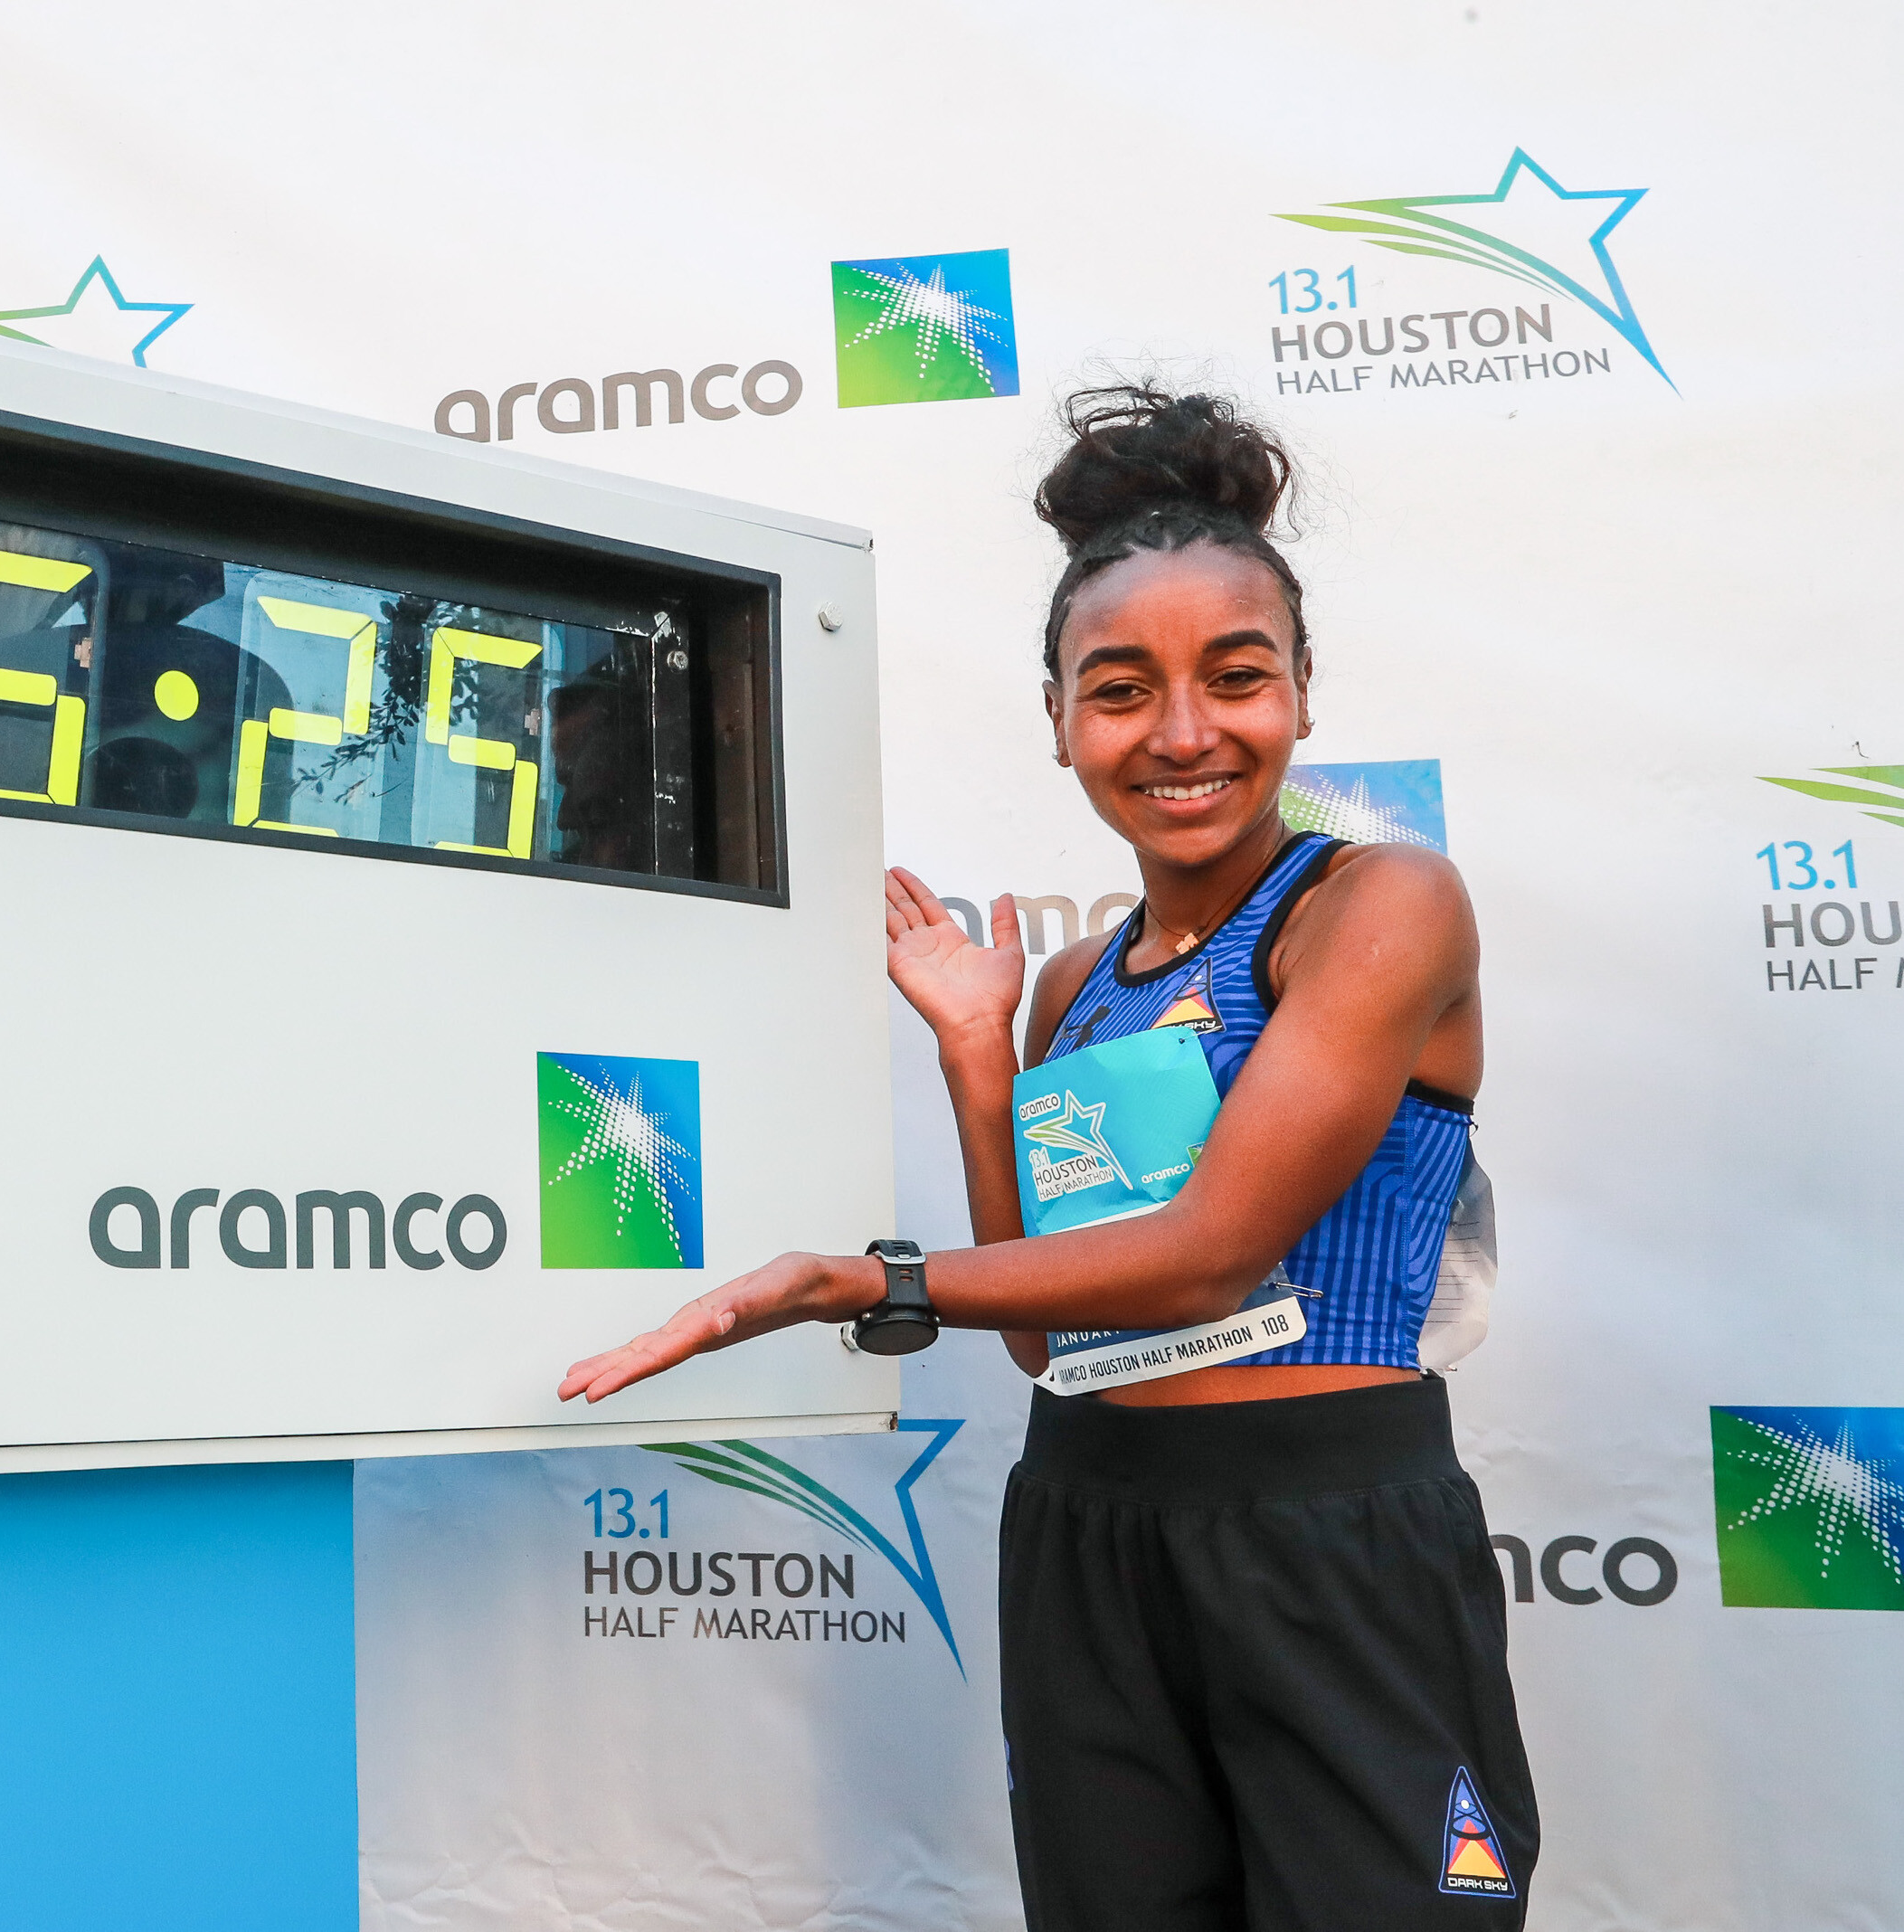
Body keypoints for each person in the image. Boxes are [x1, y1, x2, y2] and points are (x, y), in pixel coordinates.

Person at [556, 386, 1536, 1929]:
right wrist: (975, 1049)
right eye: (1120, 690)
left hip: (1328, 1526)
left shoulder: (1378, 904)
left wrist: (856, 1283)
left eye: (1235, 677)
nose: (1183, 733)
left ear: (1299, 693)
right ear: (1060, 718)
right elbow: (1048, 1334)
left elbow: (1208, 1258)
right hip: (1086, 1514)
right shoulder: (1075, 984)